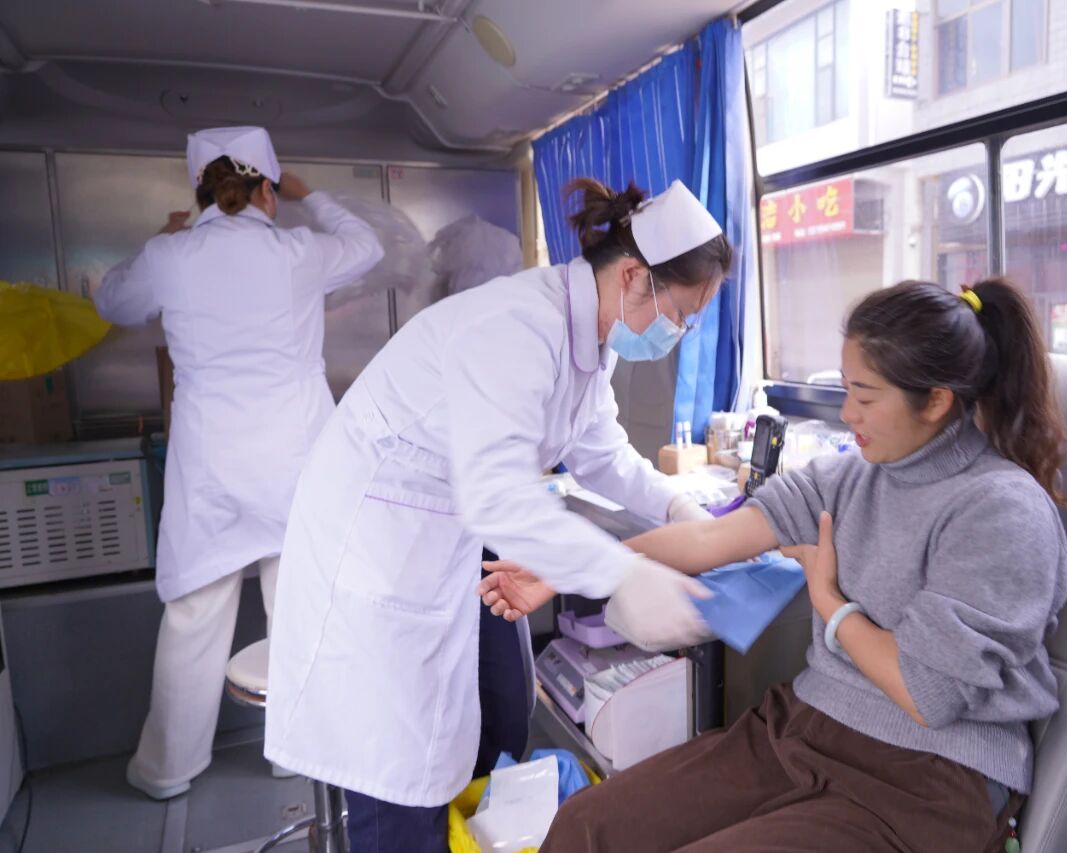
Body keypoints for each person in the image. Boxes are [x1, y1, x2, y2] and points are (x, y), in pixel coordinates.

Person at [481, 278, 1067, 851]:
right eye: (846, 389)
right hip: (805, 728)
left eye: (866, 397)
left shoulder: (1001, 509)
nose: (849, 413)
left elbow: (926, 693)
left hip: (928, 779)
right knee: (589, 825)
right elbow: (710, 540)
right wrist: (570, 568)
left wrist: (830, 605)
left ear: (937, 401)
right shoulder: (847, 477)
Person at [264, 177, 733, 852]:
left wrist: (677, 505)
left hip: (434, 545)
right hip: (373, 557)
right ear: (633, 276)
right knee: (397, 779)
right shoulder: (516, 327)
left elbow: (602, 453)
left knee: (473, 735)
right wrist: (624, 574)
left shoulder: (589, 338)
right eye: (680, 314)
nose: (677, 332)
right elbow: (497, 493)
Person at [92, 126, 384, 800]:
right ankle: (294, 754)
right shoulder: (297, 251)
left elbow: (110, 301)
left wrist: (164, 235)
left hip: (211, 467)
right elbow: (368, 246)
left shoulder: (172, 255)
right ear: (266, 192)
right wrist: (313, 196)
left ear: (201, 193)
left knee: (194, 617)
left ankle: (167, 770)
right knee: (298, 608)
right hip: (295, 461)